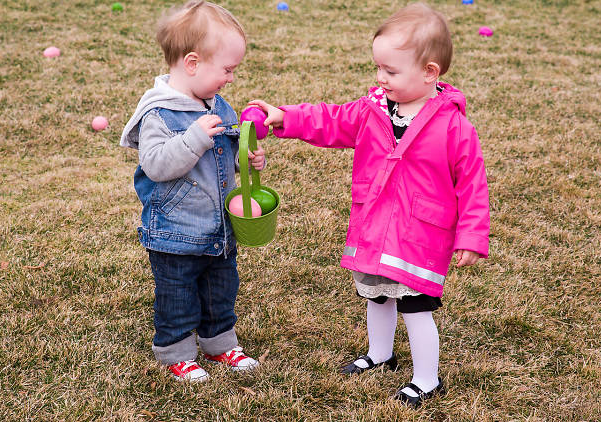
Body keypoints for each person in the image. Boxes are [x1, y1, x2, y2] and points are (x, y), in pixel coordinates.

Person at [248, 2, 489, 408]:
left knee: (415, 306)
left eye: (391, 71)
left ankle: (427, 379)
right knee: (376, 294)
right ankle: (380, 355)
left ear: (430, 72)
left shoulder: (453, 127)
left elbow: (472, 184)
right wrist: (284, 117)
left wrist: (471, 236)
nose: (380, 78)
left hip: (420, 231)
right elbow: (331, 120)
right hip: (375, 224)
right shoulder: (373, 109)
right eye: (378, 68)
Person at [120, 0, 265, 383]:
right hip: (174, 231)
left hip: (217, 228)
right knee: (178, 294)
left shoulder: (220, 105)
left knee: (221, 289)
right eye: (227, 70)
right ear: (192, 63)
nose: (231, 78)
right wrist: (194, 139)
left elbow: (226, 158)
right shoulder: (158, 113)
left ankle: (220, 343)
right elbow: (156, 164)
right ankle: (176, 351)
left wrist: (247, 162)